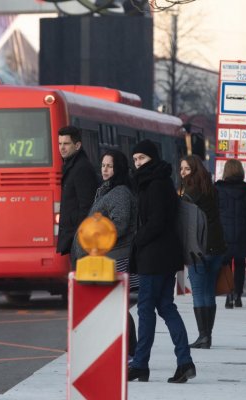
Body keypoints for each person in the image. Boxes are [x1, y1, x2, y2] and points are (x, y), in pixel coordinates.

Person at [127, 139, 196, 384]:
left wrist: (137, 239)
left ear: (152, 159)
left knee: (146, 309)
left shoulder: (154, 184)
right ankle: (184, 362)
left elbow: (157, 221)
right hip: (164, 256)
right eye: (135, 160)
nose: (138, 164)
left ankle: (140, 365)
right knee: (165, 307)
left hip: (154, 256)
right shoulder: (158, 181)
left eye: (142, 159)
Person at [71, 149, 139, 360]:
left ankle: (127, 351)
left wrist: (95, 240)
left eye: (110, 166)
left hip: (115, 258)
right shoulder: (108, 190)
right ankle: (125, 350)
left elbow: (119, 223)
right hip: (107, 257)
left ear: (118, 168)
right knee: (113, 307)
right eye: (103, 165)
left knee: (115, 307)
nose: (105, 169)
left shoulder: (119, 192)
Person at [179, 155, 227, 349]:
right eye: (181, 169)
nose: (182, 172)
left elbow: (184, 223)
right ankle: (208, 336)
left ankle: (202, 336)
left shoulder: (189, 192)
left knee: (199, 292)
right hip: (217, 247)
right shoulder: (212, 190)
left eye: (186, 169)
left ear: (194, 171)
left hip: (198, 248)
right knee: (209, 292)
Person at [215, 159, 246, 308]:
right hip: (243, 233)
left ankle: (229, 295)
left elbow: (214, 213)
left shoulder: (218, 189)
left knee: (226, 263)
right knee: (241, 264)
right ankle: (238, 295)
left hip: (223, 233)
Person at [55, 125, 98, 258]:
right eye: (60, 143)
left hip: (79, 239)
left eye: (66, 144)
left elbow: (87, 206)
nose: (62, 147)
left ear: (77, 145)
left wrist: (79, 237)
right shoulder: (72, 166)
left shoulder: (81, 168)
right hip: (74, 236)